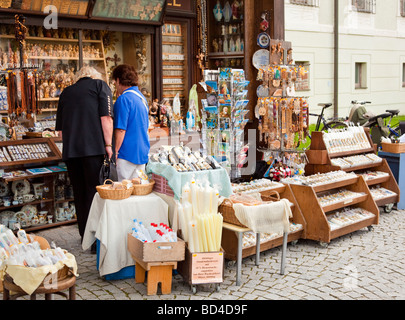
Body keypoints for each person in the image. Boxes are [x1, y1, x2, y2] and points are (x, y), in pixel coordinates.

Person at [55, 66, 113, 243]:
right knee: (96, 194)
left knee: (79, 195)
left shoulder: (66, 92)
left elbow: (60, 132)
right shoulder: (100, 86)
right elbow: (106, 118)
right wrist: (109, 145)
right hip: (94, 150)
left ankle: (85, 238)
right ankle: (98, 240)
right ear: (95, 76)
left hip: (72, 152)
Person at [112, 64, 150, 181]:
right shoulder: (142, 98)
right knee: (138, 191)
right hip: (142, 152)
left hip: (126, 154)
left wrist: (115, 151)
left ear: (118, 80)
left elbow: (121, 129)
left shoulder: (123, 99)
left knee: (124, 192)